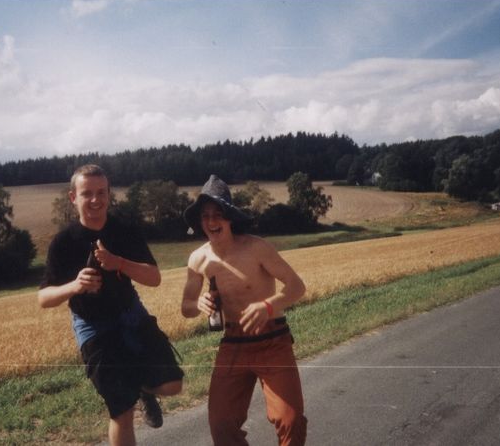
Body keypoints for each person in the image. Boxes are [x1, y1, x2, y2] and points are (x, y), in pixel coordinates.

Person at [38, 164, 184, 446]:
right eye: (87, 193)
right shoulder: (63, 243)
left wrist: (119, 263)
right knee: (121, 410)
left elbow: (154, 278)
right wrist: (75, 286)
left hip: (131, 316)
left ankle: (142, 388)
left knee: (172, 385)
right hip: (93, 327)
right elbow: (44, 298)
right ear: (73, 198)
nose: (95, 200)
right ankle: (131, 392)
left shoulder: (125, 231)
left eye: (101, 192)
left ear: (109, 194)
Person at [181, 175, 307, 446]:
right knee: (221, 424)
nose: (212, 222)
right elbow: (186, 307)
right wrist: (198, 304)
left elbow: (297, 286)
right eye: (205, 216)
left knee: (290, 420)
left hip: (272, 340)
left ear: (229, 218)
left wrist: (268, 305)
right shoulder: (198, 259)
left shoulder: (256, 247)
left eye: (218, 214)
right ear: (200, 221)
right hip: (233, 343)